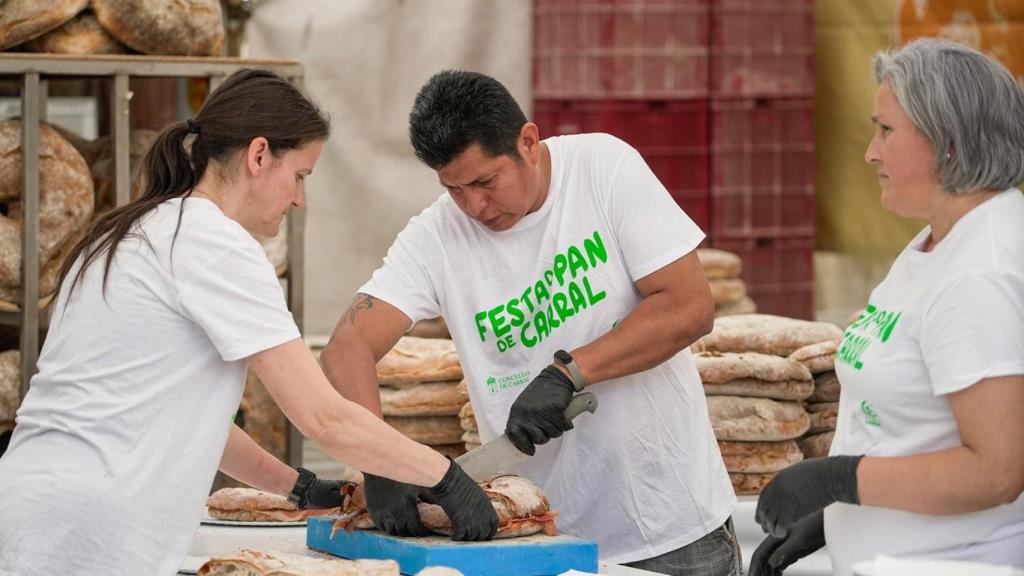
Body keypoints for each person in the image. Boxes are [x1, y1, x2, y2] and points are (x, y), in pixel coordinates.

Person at [0, 69, 497, 576]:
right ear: (259, 155)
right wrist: (444, 476)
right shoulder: (215, 244)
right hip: (86, 534)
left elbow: (191, 418)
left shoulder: (133, 231)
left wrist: (298, 487)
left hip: (32, 510)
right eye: (300, 176)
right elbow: (325, 419)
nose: (300, 200)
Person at [321, 70, 741, 575]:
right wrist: (379, 458)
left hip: (669, 530)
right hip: (537, 540)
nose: (474, 206)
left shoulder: (602, 169)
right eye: (454, 189)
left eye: (485, 181)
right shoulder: (434, 238)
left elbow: (689, 306)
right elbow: (346, 347)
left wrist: (569, 373)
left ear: (528, 142)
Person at [749, 38, 1024, 576]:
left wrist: (838, 481)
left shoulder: (982, 271)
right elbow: (914, 425)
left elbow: (998, 470)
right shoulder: (940, 240)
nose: (871, 152)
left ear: (947, 141)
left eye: (886, 130)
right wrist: (836, 515)